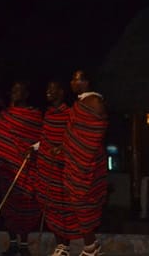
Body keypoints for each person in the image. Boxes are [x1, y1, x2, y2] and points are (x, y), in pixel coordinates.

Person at [48, 71, 108, 256]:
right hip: (76, 162)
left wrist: (77, 151)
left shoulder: (94, 102)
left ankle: (91, 248)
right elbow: (74, 134)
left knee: (84, 205)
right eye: (73, 79)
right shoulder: (79, 104)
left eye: (77, 79)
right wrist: (63, 147)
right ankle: (91, 246)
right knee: (78, 205)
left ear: (87, 82)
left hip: (87, 164)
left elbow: (94, 135)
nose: (73, 82)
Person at [0, 81, 42, 256]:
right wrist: (1, 161)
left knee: (26, 204)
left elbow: (42, 139)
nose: (14, 93)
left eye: (18, 90)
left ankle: (24, 243)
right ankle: (13, 243)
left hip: (27, 167)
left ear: (26, 94)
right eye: (12, 90)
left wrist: (34, 149)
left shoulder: (34, 116)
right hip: (8, 167)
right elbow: (1, 142)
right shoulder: (5, 116)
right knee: (8, 205)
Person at [34, 80, 71, 256]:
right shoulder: (48, 114)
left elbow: (73, 138)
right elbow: (46, 138)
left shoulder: (69, 114)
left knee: (63, 206)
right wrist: (35, 147)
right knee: (51, 207)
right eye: (47, 89)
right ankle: (59, 245)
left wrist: (62, 148)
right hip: (47, 165)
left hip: (61, 167)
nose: (48, 92)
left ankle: (65, 246)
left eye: (52, 89)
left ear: (61, 92)